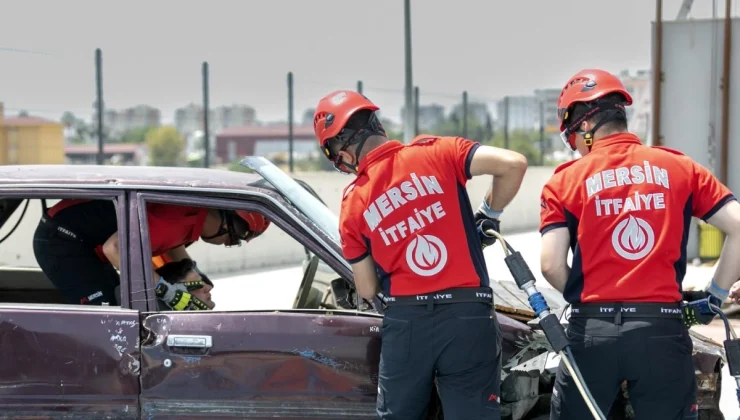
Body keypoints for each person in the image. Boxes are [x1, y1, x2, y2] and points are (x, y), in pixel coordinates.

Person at [312, 90, 528, 419]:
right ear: (375, 124)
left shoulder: (354, 201)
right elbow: (513, 165)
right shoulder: (437, 151)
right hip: (469, 317)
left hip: (408, 322)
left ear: (343, 145)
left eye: (336, 154)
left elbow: (367, 289)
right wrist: (488, 214)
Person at [539, 68, 740, 419]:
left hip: (591, 334)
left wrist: (588, 296)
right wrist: (714, 297)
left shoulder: (565, 181)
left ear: (584, 127)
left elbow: (551, 265)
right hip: (661, 331)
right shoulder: (680, 167)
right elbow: (738, 226)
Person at [32, 198, 270, 309]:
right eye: (235, 238)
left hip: (85, 240)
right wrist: (169, 292)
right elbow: (114, 249)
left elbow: (169, 245)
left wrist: (194, 276)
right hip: (62, 241)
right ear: (225, 221)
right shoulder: (176, 221)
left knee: (122, 302)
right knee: (105, 315)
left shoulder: (191, 216)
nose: (229, 243)